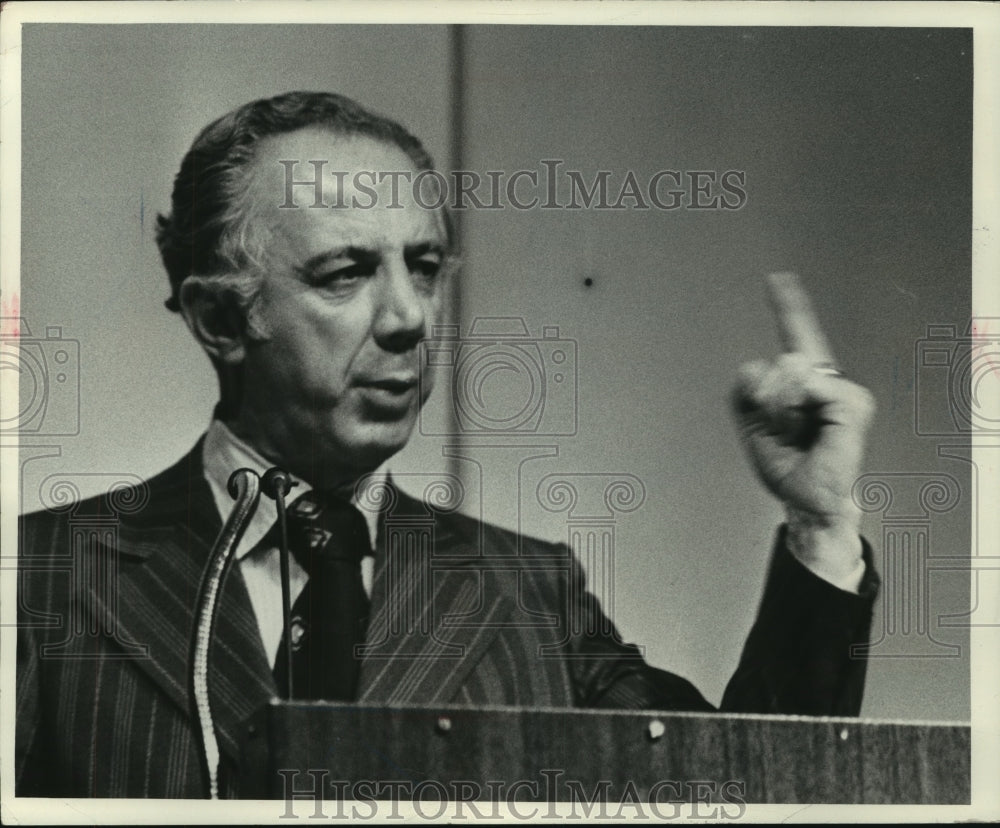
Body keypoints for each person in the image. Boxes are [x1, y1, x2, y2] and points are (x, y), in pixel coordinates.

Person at [16, 91, 879, 798]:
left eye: (423, 268)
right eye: (345, 273)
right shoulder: (40, 581)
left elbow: (746, 794)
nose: (408, 319)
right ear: (218, 318)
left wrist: (818, 523)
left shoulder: (529, 594)